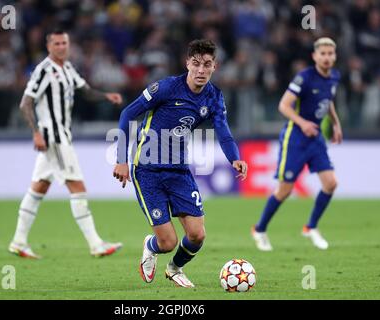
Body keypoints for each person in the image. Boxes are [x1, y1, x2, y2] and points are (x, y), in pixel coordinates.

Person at [113, 39, 248, 288]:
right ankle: (150, 246)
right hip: (147, 170)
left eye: (206, 65)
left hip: (179, 170)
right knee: (167, 243)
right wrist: (121, 159)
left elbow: (224, 131)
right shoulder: (164, 88)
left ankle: (175, 269)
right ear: (187, 63)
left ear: (214, 67)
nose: (200, 70)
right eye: (196, 64)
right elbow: (127, 114)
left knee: (197, 235)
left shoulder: (214, 97)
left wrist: (235, 158)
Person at [9, 30, 123, 259]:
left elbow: (86, 91)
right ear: (48, 45)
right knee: (78, 188)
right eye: (57, 43)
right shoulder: (43, 70)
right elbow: (25, 103)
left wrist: (105, 96)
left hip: (61, 137)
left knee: (38, 188)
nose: (62, 47)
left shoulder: (67, 68)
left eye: (65, 43)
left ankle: (19, 241)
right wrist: (36, 133)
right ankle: (95, 244)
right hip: (55, 139)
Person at [251, 37, 343, 251]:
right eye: (323, 54)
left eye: (330, 53)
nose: (327, 57)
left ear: (335, 56)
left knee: (331, 183)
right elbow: (283, 106)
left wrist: (336, 124)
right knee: (285, 190)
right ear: (315, 56)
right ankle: (260, 229)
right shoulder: (304, 78)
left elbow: (328, 103)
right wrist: (303, 124)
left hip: (316, 138)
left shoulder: (334, 77)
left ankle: (310, 227)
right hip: (296, 138)